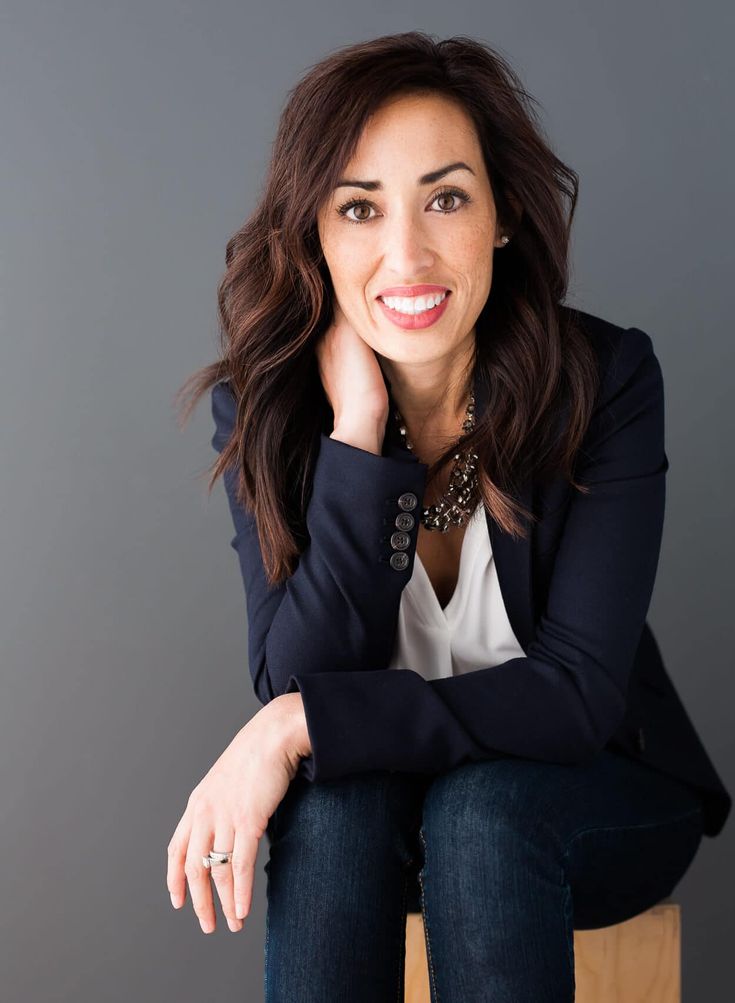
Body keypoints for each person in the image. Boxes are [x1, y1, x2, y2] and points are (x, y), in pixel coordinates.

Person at [166, 31, 731, 1002]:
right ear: (314, 233)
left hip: (589, 794)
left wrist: (296, 726)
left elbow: (575, 695)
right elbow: (294, 670)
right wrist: (358, 437)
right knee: (333, 806)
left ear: (504, 214)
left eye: (446, 197)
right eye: (358, 208)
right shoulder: (271, 408)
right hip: (384, 809)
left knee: (480, 810)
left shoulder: (602, 383)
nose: (406, 253)